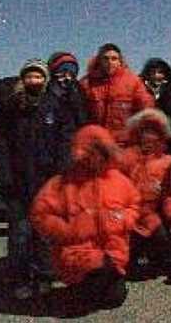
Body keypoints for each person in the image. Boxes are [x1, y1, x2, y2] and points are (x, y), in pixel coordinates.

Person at [0, 59, 76, 299]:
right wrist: (4, 178)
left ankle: (45, 276)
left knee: (44, 232)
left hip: (47, 181)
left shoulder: (55, 105)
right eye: (29, 76)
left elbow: (66, 140)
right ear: (22, 78)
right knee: (20, 232)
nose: (34, 80)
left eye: (38, 76)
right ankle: (19, 277)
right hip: (17, 182)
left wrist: (61, 172)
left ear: (45, 79)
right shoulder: (9, 108)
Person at [30, 125, 141, 309]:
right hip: (78, 254)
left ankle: (91, 288)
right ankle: (80, 289)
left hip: (113, 252)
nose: (98, 157)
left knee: (114, 299)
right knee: (84, 299)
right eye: (94, 151)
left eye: (102, 152)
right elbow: (39, 213)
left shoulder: (118, 180)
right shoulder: (62, 183)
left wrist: (123, 220)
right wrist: (66, 231)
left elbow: (134, 204)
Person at [115, 108, 171, 277]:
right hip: (128, 214)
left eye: (153, 132)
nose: (148, 137)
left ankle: (159, 260)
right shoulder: (125, 159)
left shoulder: (167, 162)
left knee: (160, 235)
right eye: (144, 132)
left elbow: (170, 195)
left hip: (152, 214)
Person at [79, 43, 155, 144]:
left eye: (114, 59)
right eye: (106, 58)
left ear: (120, 61)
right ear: (99, 60)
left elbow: (145, 111)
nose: (110, 62)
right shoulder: (87, 83)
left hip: (123, 144)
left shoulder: (133, 82)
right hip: (97, 145)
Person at [46, 51, 89, 128]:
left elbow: (84, 119)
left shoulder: (80, 92)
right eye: (63, 71)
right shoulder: (45, 92)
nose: (67, 77)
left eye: (71, 72)